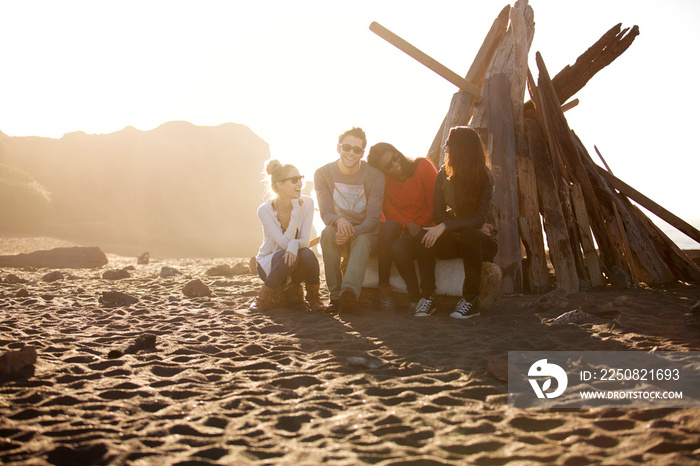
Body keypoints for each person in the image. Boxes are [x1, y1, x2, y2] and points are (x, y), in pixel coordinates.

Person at [420, 126, 498, 319]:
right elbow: (438, 214)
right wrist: (460, 224)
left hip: (483, 242)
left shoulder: (485, 176)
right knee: (425, 237)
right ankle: (428, 297)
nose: (445, 147)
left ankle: (471, 300)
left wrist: (448, 225)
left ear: (461, 148)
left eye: (449, 143)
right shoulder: (443, 174)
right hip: (458, 237)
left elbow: (480, 218)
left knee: (471, 235)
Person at [315, 127, 385, 313]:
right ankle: (335, 297)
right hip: (340, 232)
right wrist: (339, 222)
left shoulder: (375, 176)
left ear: (362, 153)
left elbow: (372, 220)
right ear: (338, 148)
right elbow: (326, 213)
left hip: (367, 235)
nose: (351, 153)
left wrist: (350, 233)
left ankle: (349, 294)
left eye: (357, 150)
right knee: (327, 233)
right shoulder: (323, 174)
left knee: (361, 239)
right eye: (347, 147)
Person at [367, 142, 438, 315]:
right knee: (397, 247)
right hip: (408, 231)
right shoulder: (384, 182)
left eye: (395, 158)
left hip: (430, 228)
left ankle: (428, 296)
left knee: (403, 244)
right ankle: (415, 298)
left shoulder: (423, 166)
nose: (396, 166)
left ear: (397, 152)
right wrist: (408, 225)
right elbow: (390, 211)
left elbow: (435, 205)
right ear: (382, 170)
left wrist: (417, 225)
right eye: (388, 166)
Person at [251, 159, 324, 312]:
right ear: (279, 185)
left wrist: (294, 244)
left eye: (300, 178)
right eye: (294, 180)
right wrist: (295, 213)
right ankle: (263, 297)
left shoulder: (307, 203)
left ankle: (313, 297)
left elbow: (304, 240)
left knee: (307, 254)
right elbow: (284, 245)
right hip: (270, 266)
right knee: (293, 254)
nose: (300, 184)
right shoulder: (264, 210)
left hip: (295, 266)